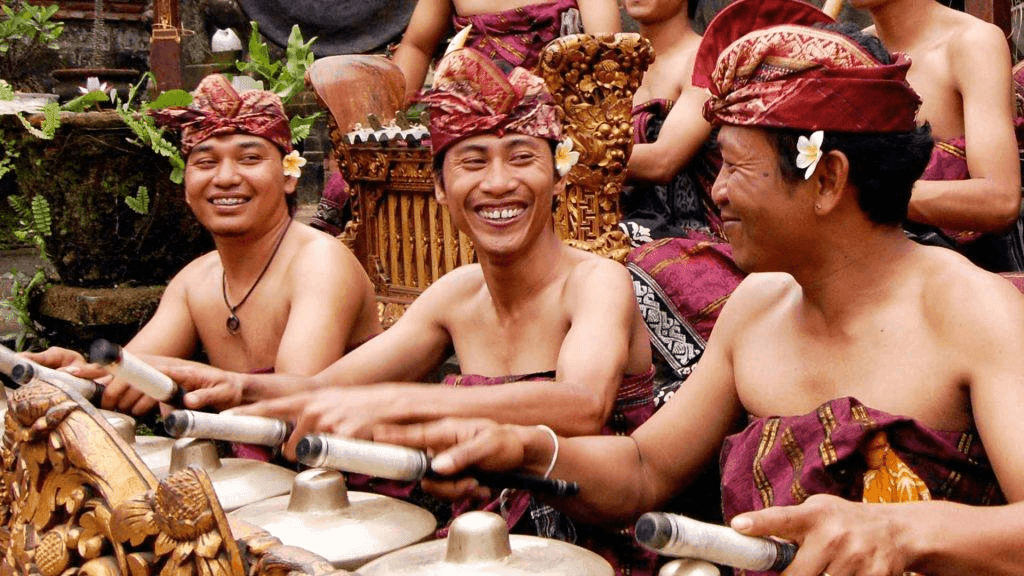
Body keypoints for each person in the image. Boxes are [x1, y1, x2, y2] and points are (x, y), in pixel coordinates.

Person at [366, 2, 1024, 575]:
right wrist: (536, 450)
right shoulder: (757, 306)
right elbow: (646, 472)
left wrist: (906, 533)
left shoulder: (970, 309)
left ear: (827, 181)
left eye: (737, 168)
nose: (715, 193)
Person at [160, 49, 657, 574]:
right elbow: (332, 387)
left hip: (598, 540)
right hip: (480, 541)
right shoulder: (455, 294)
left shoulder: (597, 280)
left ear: (558, 176)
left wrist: (403, 402)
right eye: (472, 161)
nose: (497, 182)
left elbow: (582, 405)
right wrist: (241, 389)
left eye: (521, 157)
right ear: (440, 188)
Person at [28, 74, 382, 416]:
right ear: (186, 184)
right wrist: (79, 373)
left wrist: (165, 372)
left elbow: (293, 403)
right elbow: (128, 376)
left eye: (250, 159)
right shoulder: (195, 279)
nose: (225, 178)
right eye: (206, 162)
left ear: (289, 175)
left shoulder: (319, 262)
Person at [857, 0, 1022, 271]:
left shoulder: (971, 43)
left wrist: (866, 195)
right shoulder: (851, 51)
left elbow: (1000, 199)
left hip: (960, 284)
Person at [391, 0, 622, 104]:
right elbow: (416, 47)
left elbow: (607, 54)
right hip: (470, 121)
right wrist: (385, 120)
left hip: (560, 119)